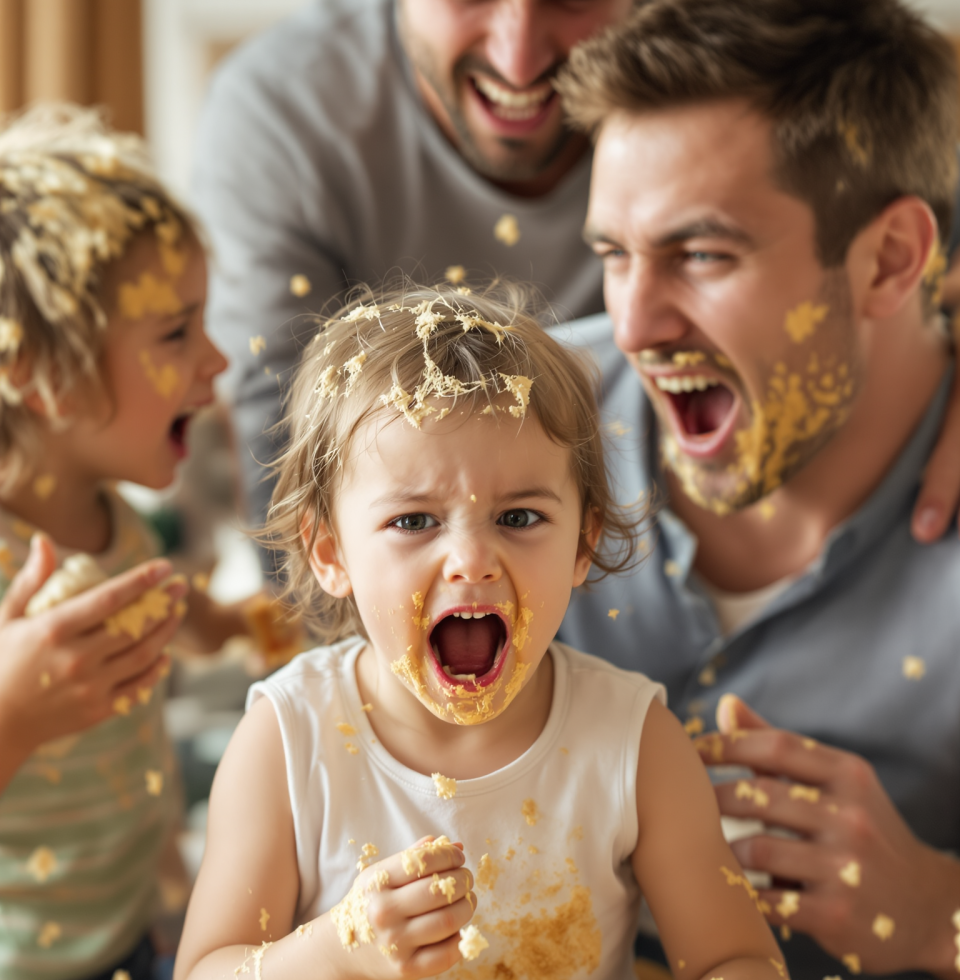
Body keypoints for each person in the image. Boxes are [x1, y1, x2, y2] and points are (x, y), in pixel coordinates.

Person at [173, 282, 788, 980]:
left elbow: (734, 959)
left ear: (583, 544)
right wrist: (337, 952)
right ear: (330, 553)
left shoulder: (634, 743)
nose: (471, 561)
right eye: (414, 521)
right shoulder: (288, 742)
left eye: (519, 518)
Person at [546, 1, 960, 976]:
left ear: (890, 258)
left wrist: (942, 913)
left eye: (702, 254)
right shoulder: (518, 411)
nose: (636, 322)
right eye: (612, 255)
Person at [0, 104, 259, 980]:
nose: (215, 360)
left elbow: (149, 599)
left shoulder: (118, 515)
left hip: (138, 927)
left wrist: (216, 625)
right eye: (175, 333)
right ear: (40, 375)